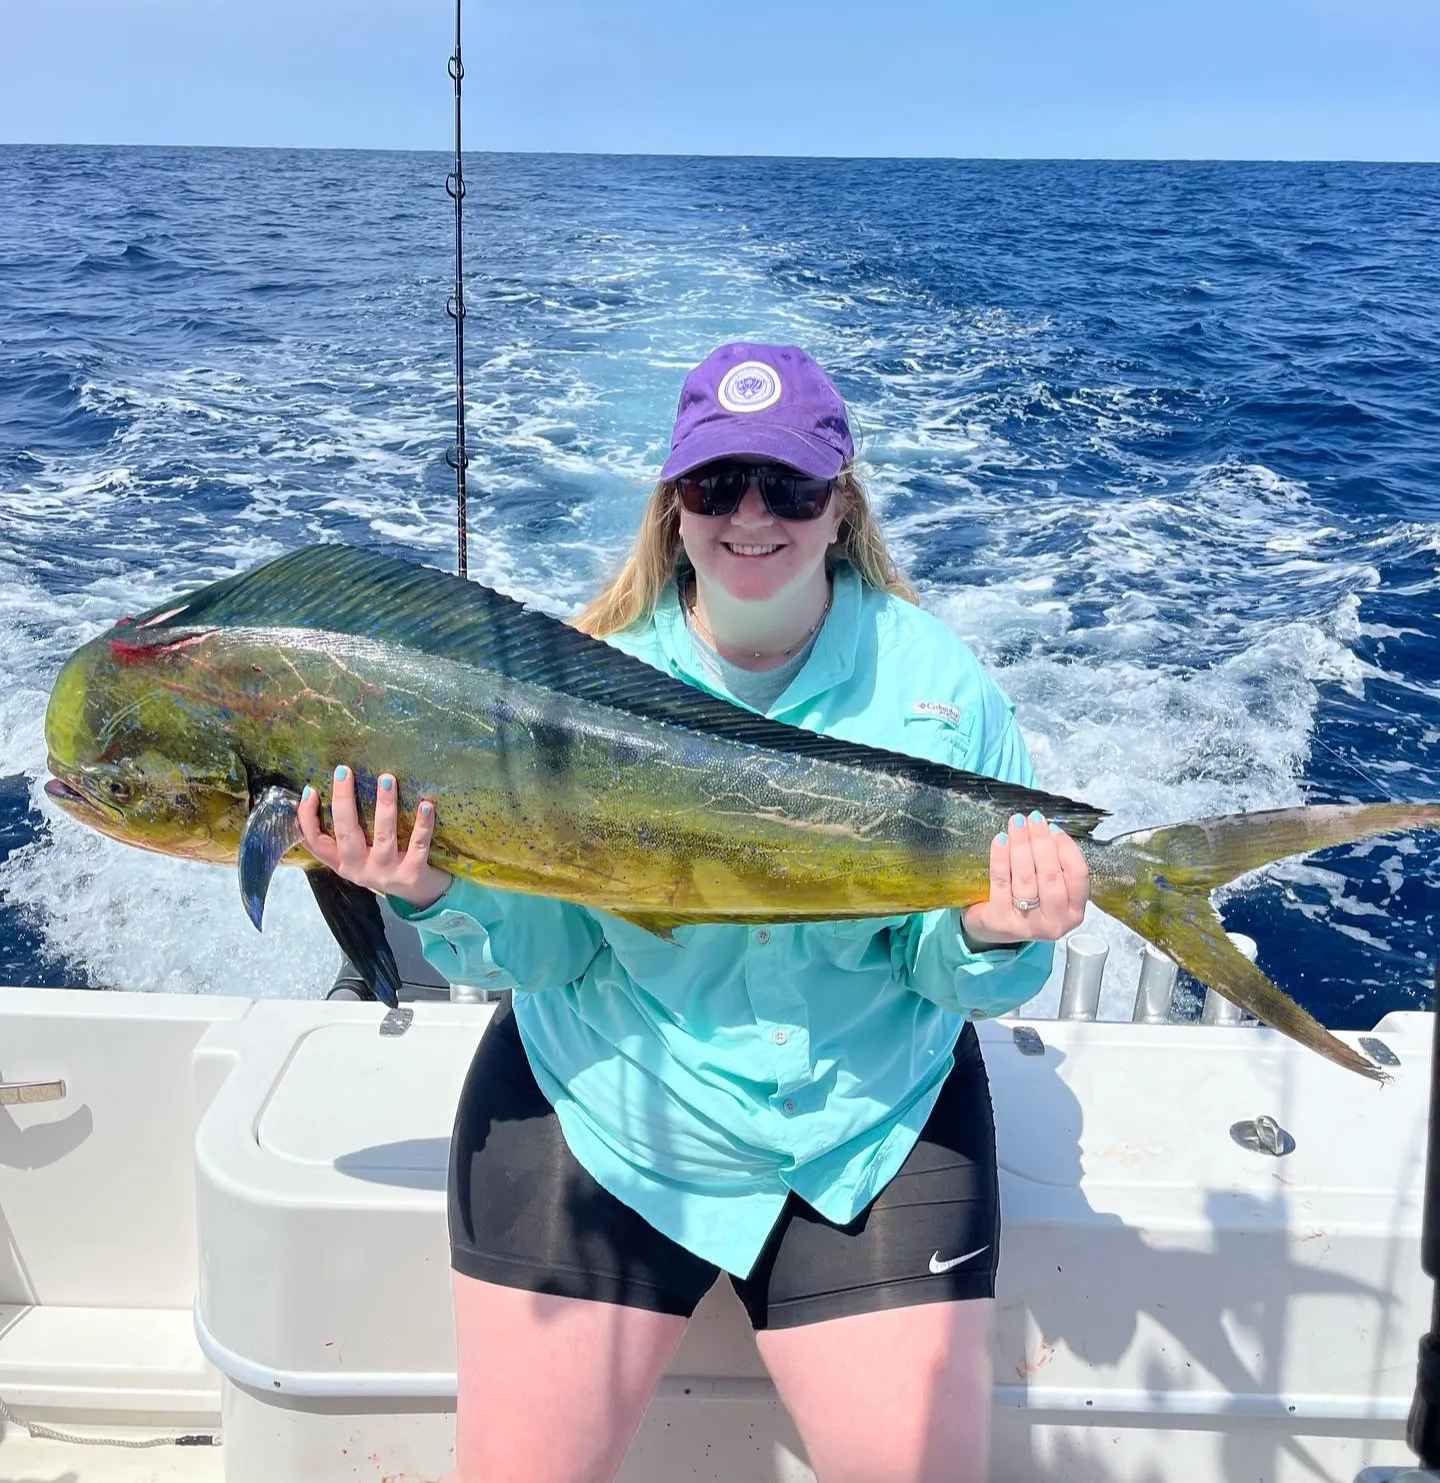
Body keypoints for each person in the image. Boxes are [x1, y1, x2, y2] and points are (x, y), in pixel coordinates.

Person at [296, 342, 1091, 1483]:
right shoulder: (580, 683)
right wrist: (429, 888)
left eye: (790, 487)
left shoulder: (938, 687)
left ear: (839, 506)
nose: (751, 515)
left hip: (860, 1124)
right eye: (718, 485)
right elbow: (554, 947)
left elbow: (941, 972)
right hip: (613, 1109)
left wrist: (992, 932)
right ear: (675, 510)